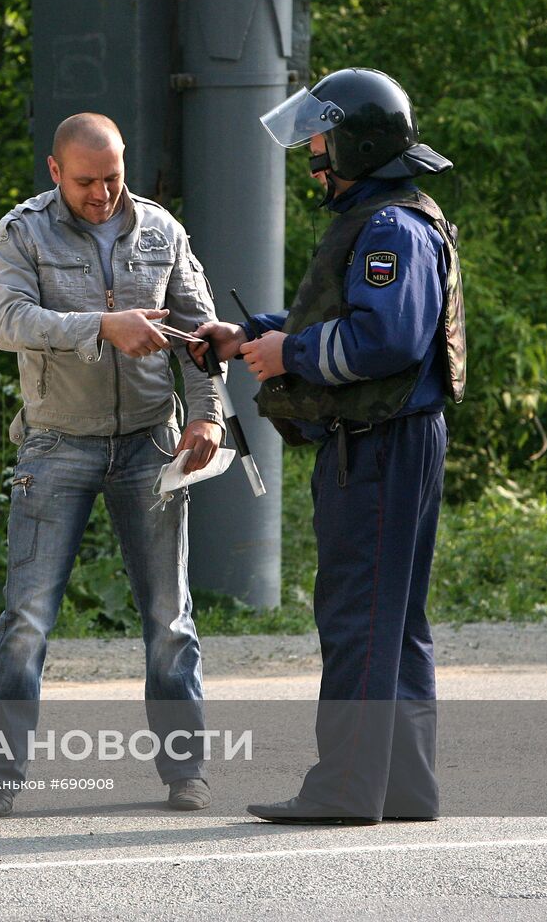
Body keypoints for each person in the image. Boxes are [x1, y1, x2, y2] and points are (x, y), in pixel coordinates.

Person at [194, 68, 466, 824]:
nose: (312, 154)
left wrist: (290, 353)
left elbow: (385, 340)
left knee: (358, 616)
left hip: (378, 446)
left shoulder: (390, 228)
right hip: (397, 440)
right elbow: (344, 317)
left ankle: (346, 787)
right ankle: (403, 786)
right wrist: (249, 337)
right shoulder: (387, 216)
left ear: (355, 143)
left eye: (320, 138)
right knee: (393, 619)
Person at [0, 112, 225, 818]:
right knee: (27, 618)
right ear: (55, 172)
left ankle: (186, 772)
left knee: (170, 618)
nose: (102, 193)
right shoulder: (23, 231)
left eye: (113, 177)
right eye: (86, 181)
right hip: (57, 443)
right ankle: (0, 773)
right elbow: (8, 322)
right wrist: (101, 327)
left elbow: (202, 337)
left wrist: (207, 413)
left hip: (150, 444)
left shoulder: (162, 231)